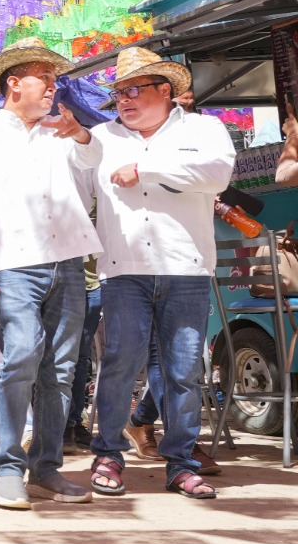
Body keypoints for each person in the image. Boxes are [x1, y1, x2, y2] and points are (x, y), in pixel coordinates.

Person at [0, 37, 100, 509]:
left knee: (59, 370)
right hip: (11, 266)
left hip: (68, 262)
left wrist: (80, 135)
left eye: (55, 80)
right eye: (45, 79)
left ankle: (46, 468)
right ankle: (9, 467)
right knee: (18, 361)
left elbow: (94, 169)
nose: (54, 88)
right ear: (14, 83)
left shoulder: (64, 134)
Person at [85, 47, 235, 500]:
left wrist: (146, 167)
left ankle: (182, 464)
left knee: (183, 371)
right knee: (119, 365)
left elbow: (218, 175)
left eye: (133, 90)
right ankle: (108, 453)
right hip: (123, 269)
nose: (123, 100)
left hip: (185, 267)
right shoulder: (99, 138)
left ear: (165, 90)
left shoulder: (204, 129)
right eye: (118, 93)